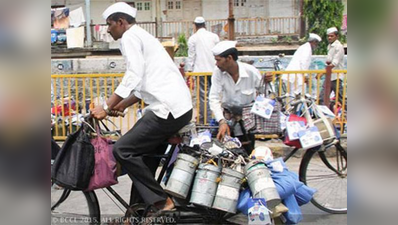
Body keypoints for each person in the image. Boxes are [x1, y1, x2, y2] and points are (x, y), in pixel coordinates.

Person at [91, 2, 193, 213]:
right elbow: (141, 86)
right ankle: (137, 212)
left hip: (167, 109)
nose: (108, 30)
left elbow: (133, 75)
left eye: (109, 25)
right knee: (143, 157)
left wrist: (106, 106)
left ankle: (161, 202)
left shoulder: (130, 37)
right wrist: (119, 105)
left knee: (123, 150)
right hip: (174, 107)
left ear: (121, 22)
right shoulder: (140, 36)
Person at [209, 41, 263, 155]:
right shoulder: (218, 73)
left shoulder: (251, 72)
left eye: (218, 60)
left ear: (229, 58)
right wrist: (222, 122)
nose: (216, 64)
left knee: (248, 157)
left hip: (247, 126)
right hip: (228, 124)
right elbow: (214, 98)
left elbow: (263, 93)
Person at [186, 16, 220, 125]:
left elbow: (191, 56)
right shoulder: (214, 37)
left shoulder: (193, 38)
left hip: (201, 71)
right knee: (213, 95)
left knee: (203, 96)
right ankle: (211, 118)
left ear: (195, 26)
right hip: (214, 70)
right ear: (205, 25)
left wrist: (189, 71)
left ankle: (205, 120)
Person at [320, 27, 345, 106]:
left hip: (336, 77)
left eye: (331, 36)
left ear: (336, 36)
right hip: (329, 76)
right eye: (328, 36)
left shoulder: (339, 47)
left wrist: (321, 73)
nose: (329, 38)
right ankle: (324, 116)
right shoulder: (329, 46)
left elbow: (334, 63)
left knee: (341, 99)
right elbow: (329, 62)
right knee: (322, 98)